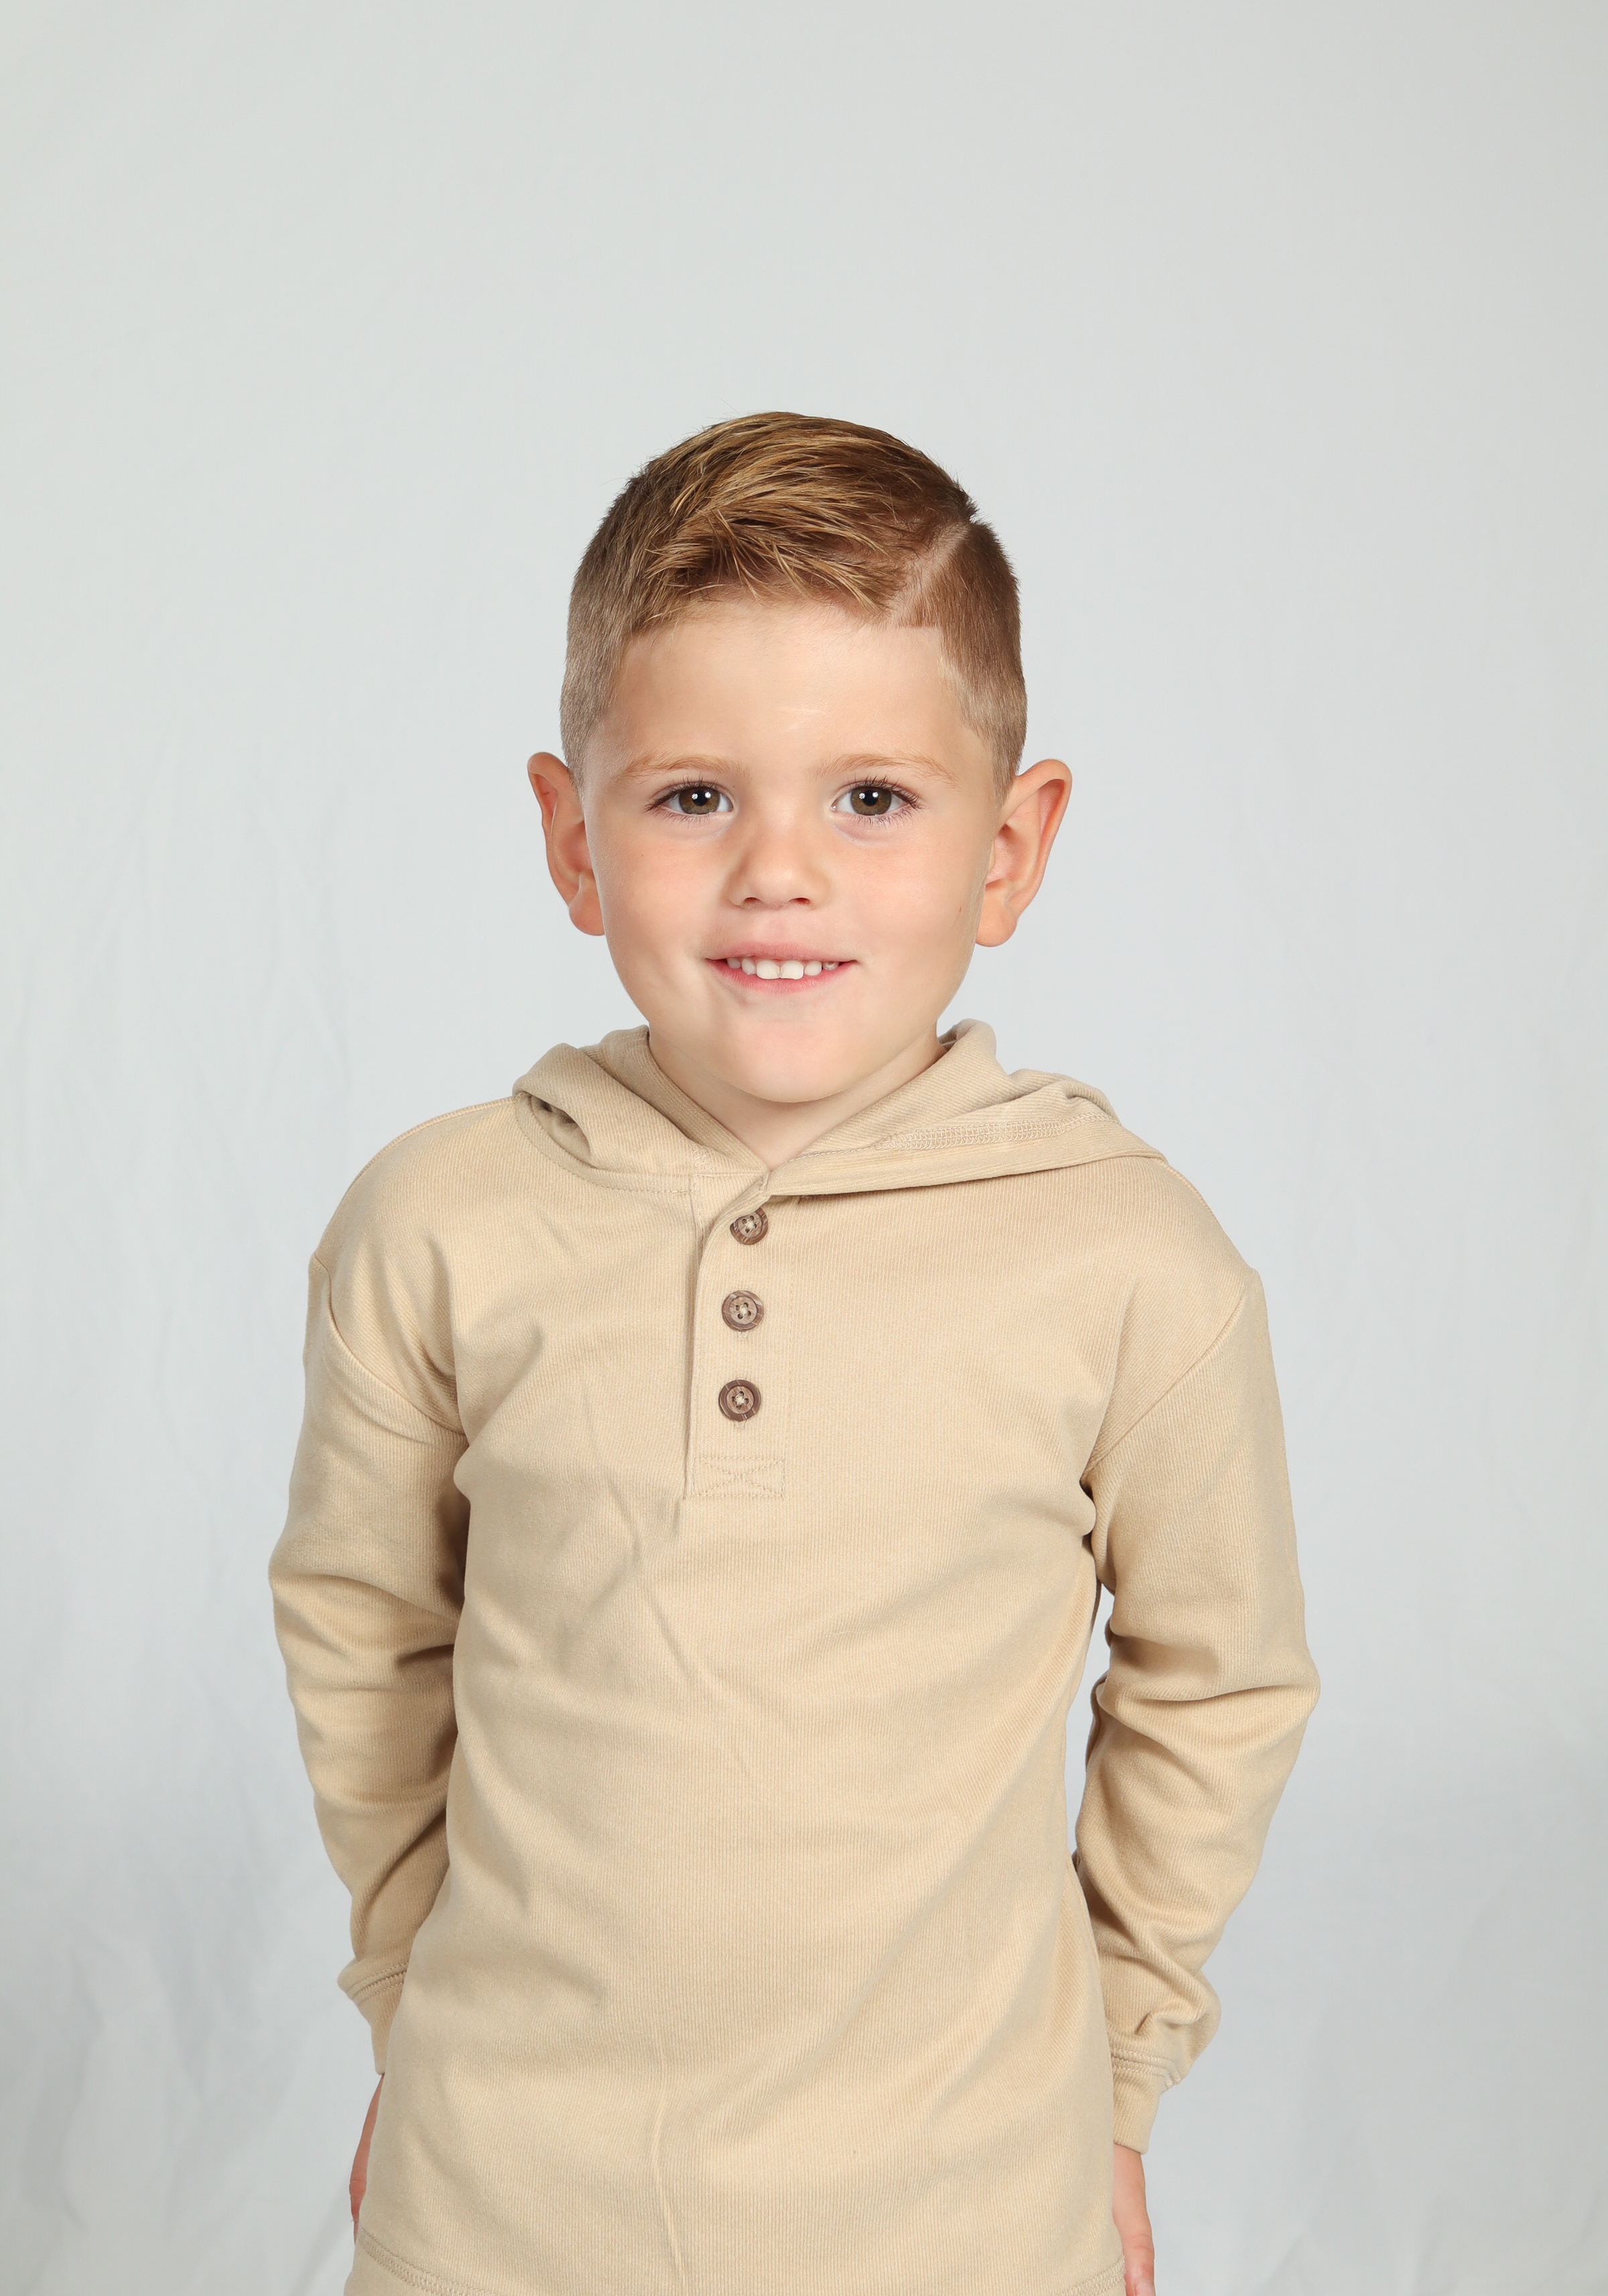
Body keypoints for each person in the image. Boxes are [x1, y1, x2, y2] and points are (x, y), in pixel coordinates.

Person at [269, 411, 1319, 2296]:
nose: (779, 871)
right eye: (693, 797)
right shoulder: (437, 1225)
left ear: (1012, 849)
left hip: (965, 2220)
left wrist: (1113, 2084)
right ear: (572, 839)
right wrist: (415, 2006)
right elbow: (366, 1633)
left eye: (872, 799)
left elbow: (1216, 1685)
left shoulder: (1128, 1258)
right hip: (498, 2213)